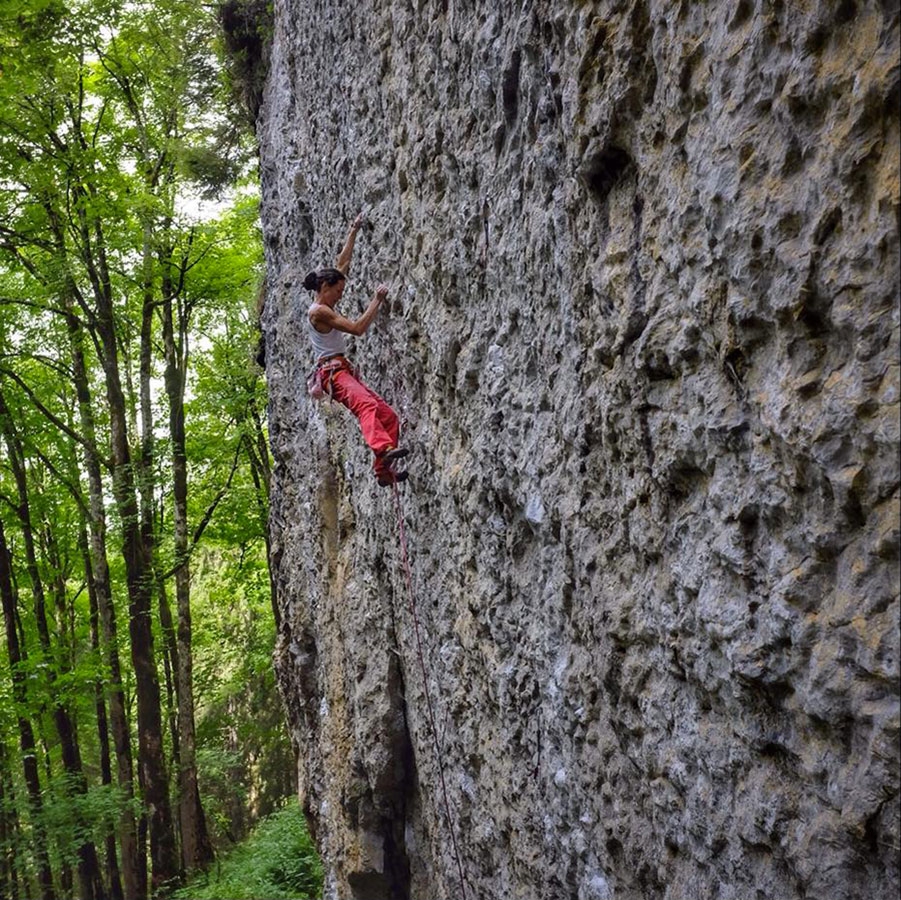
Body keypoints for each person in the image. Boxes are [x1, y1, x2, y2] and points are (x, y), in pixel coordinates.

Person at [304, 213, 409, 487]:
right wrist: (377, 300)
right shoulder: (319, 312)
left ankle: (383, 472)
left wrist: (354, 230)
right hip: (333, 374)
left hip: (342, 370)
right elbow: (357, 328)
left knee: (388, 417)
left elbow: (342, 264)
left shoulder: (326, 298)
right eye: (338, 291)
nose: (341, 295)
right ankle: (383, 450)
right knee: (366, 405)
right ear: (325, 288)